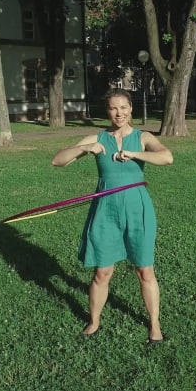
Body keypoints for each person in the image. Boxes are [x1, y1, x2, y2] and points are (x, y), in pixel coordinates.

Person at [52, 89, 173, 343]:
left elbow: (166, 157)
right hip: (106, 210)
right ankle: (94, 322)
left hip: (137, 209)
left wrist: (135, 154)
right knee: (102, 272)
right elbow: (58, 161)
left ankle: (154, 325)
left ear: (131, 109)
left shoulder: (143, 137)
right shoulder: (98, 138)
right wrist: (87, 148)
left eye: (123, 107)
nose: (119, 113)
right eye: (113, 108)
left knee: (145, 271)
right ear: (107, 111)